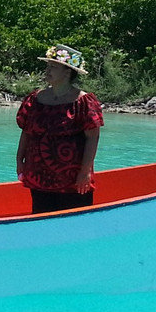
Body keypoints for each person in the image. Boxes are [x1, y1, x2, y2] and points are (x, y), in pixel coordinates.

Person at [16, 44, 104, 214]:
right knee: (40, 221)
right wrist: (20, 161)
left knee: (74, 224)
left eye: (53, 67)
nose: (47, 70)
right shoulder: (36, 98)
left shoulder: (83, 101)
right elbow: (27, 132)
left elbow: (92, 137)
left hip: (72, 180)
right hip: (39, 176)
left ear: (67, 72)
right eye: (47, 66)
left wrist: (85, 173)